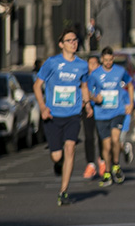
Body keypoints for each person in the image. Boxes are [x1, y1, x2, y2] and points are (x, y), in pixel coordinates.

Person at [33, 29, 93, 206]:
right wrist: (43, 107)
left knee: (70, 149)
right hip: (53, 115)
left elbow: (84, 86)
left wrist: (87, 103)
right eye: (69, 40)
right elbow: (37, 86)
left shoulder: (82, 65)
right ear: (61, 44)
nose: (73, 43)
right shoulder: (52, 63)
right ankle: (58, 164)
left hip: (73, 114)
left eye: (75, 40)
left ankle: (63, 191)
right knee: (57, 156)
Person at [87, 47, 133, 186]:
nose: (108, 62)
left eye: (110, 60)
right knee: (106, 146)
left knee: (115, 140)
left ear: (113, 59)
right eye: (105, 60)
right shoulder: (95, 74)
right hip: (101, 114)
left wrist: (130, 103)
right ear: (102, 60)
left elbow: (130, 84)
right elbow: (88, 92)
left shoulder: (120, 71)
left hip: (117, 112)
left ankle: (116, 166)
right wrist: (95, 99)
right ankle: (107, 172)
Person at [81, 54, 104, 180]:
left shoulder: (102, 77)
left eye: (95, 64)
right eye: (90, 64)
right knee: (89, 137)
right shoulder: (85, 79)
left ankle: (102, 161)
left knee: (102, 136)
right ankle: (90, 164)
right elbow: (83, 92)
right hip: (88, 110)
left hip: (101, 109)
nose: (93, 66)